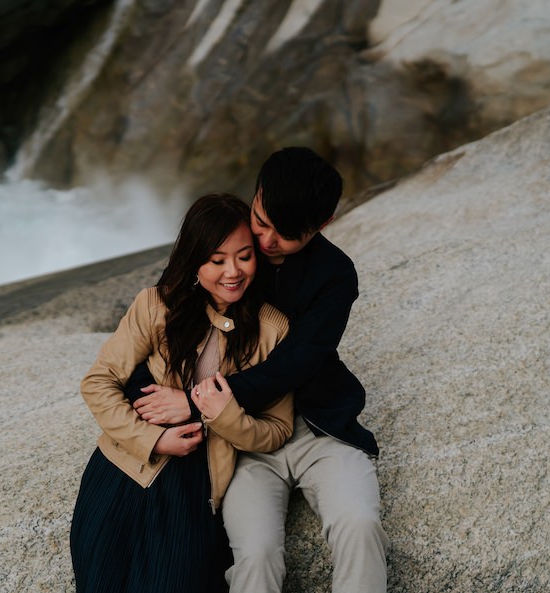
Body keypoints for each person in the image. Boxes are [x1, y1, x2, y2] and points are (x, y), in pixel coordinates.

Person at [130, 147, 390, 593]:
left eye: (287, 235)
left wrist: (199, 399)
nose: (266, 242)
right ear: (256, 194)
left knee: (360, 523)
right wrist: (155, 403)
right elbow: (165, 320)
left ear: (322, 225)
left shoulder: (335, 275)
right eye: (262, 221)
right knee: (254, 553)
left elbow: (297, 362)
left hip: (317, 428)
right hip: (240, 440)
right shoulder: (228, 240)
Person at [70, 193, 294, 593]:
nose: (233, 272)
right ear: (194, 261)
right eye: (216, 260)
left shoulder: (271, 329)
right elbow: (99, 381)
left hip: (196, 491)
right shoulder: (156, 305)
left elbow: (277, 429)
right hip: (124, 473)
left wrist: (216, 418)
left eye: (244, 256)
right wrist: (154, 437)